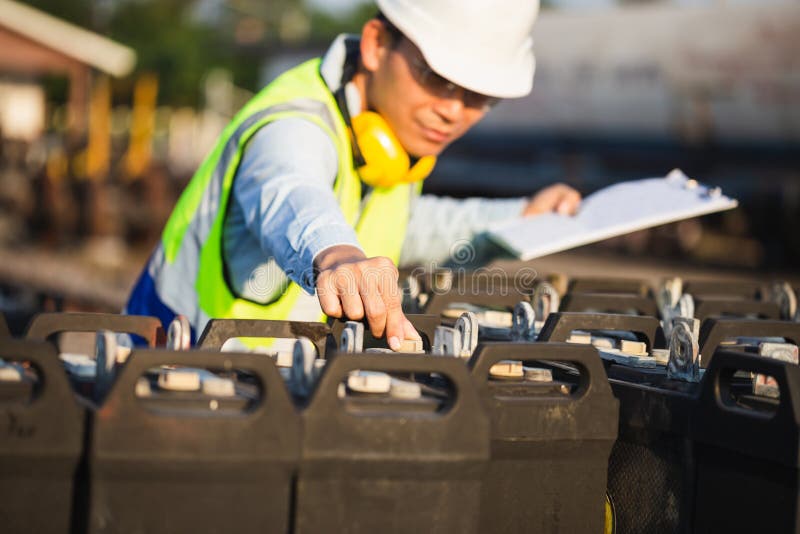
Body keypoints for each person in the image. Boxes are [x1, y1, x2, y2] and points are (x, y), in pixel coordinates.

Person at [125, 0, 581, 349]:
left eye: (480, 96)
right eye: (438, 79)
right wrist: (338, 258)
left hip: (263, 391)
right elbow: (289, 190)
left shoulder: (389, 142)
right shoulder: (293, 123)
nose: (454, 111)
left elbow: (403, 225)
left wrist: (520, 216)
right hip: (168, 373)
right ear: (376, 44)